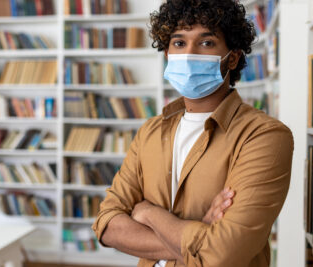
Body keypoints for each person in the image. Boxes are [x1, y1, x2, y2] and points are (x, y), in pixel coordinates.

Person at [92, 0, 294, 266]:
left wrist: (149, 213)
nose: (189, 53)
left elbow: (223, 254)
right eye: (179, 43)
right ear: (167, 54)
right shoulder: (150, 132)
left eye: (206, 43)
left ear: (232, 57)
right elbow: (107, 226)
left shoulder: (264, 136)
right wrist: (200, 236)